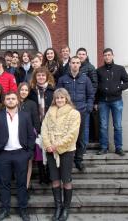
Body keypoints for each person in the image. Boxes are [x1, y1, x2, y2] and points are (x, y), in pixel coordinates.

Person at [0, 91, 35, 221]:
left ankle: (23, 210)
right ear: (4, 101)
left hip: (21, 154)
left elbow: (30, 135)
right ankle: (5, 210)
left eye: (13, 99)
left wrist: (29, 152)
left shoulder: (25, 116)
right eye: (8, 99)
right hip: (3, 154)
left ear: (18, 101)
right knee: (4, 184)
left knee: (21, 183)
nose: (11, 100)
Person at [41, 88, 81, 221]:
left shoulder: (74, 113)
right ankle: (58, 207)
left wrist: (57, 146)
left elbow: (72, 134)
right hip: (51, 150)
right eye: (57, 98)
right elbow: (44, 128)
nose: (59, 100)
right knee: (55, 179)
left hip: (67, 150)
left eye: (62, 98)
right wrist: (47, 145)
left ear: (67, 98)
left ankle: (66, 208)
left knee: (66, 179)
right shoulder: (50, 111)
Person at [57, 56, 94, 172]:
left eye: (77, 63)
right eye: (73, 63)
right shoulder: (63, 79)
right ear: (69, 64)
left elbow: (90, 95)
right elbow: (58, 95)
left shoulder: (85, 79)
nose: (75, 65)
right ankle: (66, 160)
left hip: (81, 112)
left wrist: (88, 108)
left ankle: (79, 160)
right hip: (66, 113)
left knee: (80, 137)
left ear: (80, 65)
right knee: (66, 136)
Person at [96, 48, 128, 156]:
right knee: (103, 126)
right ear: (103, 57)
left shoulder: (120, 69)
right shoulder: (99, 70)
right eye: (105, 55)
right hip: (103, 102)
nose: (107, 57)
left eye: (109, 55)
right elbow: (96, 87)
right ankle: (103, 147)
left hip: (116, 101)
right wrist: (96, 102)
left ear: (112, 56)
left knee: (118, 126)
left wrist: (119, 87)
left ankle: (119, 148)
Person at [28, 67, 55, 184]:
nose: (41, 77)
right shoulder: (31, 91)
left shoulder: (52, 90)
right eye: (38, 75)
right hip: (36, 124)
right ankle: (42, 176)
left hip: (50, 125)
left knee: (49, 150)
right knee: (38, 151)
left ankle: (50, 175)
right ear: (35, 77)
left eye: (43, 75)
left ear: (47, 77)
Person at [18, 82, 40, 194]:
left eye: (26, 90)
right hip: (15, 137)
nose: (24, 92)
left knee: (29, 162)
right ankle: (19, 186)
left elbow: (36, 120)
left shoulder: (32, 104)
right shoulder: (13, 101)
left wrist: (37, 134)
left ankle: (25, 187)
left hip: (29, 137)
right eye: (22, 90)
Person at [76, 48, 98, 147]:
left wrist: (90, 101)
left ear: (86, 55)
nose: (81, 56)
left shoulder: (90, 68)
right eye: (79, 54)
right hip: (74, 102)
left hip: (85, 102)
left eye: (83, 54)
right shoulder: (72, 66)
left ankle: (83, 148)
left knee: (85, 127)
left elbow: (94, 85)